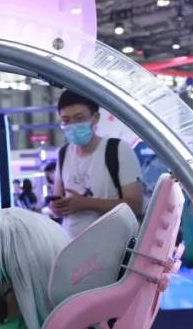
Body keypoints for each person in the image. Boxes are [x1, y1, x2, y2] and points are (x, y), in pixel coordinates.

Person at [49, 90, 143, 239]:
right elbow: (57, 200)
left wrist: (86, 203)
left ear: (95, 118)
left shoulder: (117, 150)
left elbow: (135, 206)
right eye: (66, 120)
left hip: (111, 244)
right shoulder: (63, 153)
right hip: (70, 243)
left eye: (79, 118)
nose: (72, 125)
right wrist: (57, 207)